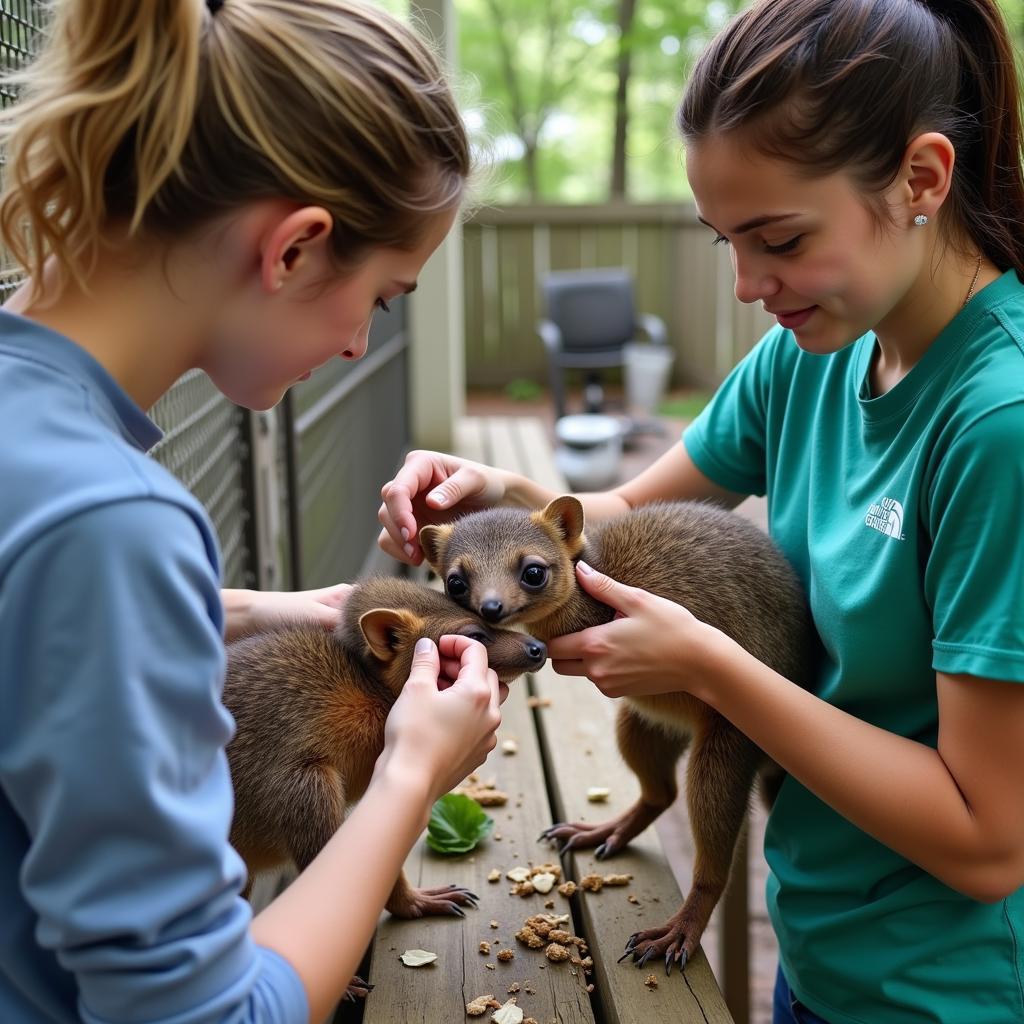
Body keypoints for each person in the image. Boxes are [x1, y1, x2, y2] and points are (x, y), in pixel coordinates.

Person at [378, 1, 1024, 1021]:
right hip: (819, 947)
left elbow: (988, 840)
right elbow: (624, 509)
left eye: (777, 238)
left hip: (949, 988)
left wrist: (709, 665)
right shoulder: (810, 350)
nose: (743, 285)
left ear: (922, 179)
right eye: (724, 239)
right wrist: (487, 493)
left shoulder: (1000, 426)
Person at [0, 0, 505, 1021]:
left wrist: (242, 609)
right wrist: (411, 771)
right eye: (384, 296)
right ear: (295, 250)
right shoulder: (115, 521)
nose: (363, 343)